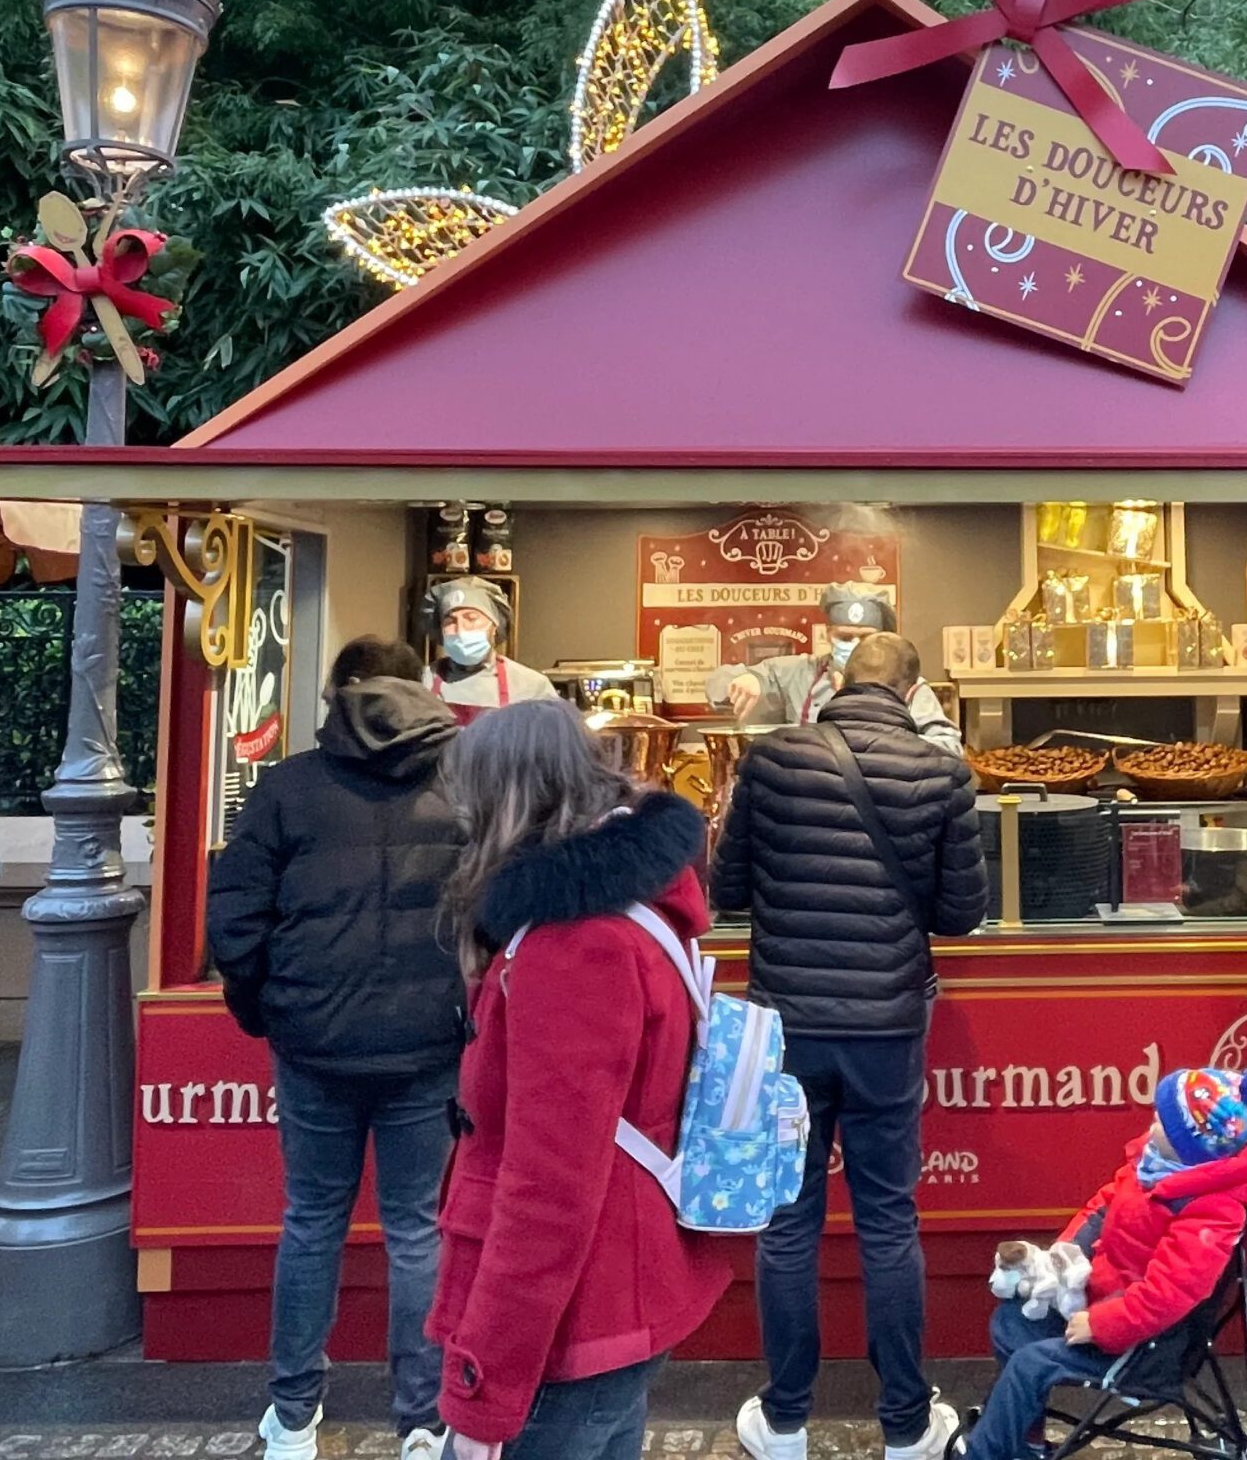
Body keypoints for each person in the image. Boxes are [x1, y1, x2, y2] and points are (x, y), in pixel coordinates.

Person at [422, 698, 726, 1460]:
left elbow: (547, 1189)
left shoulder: (571, 944)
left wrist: (483, 1392)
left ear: (508, 799)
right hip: (616, 1288)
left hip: (570, 1318)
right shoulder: (634, 912)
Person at [712, 629, 987, 1460]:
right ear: (913, 693)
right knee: (888, 1220)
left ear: (836, 681)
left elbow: (725, 889)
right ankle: (905, 1424)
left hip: (788, 1027)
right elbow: (960, 913)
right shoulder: (943, 774)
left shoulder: (771, 761)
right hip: (886, 1029)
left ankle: (786, 1418)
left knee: (789, 1222)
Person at [204, 637, 466, 1460]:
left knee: (312, 1219)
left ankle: (292, 1414)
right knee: (417, 1226)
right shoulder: (458, 782)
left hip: (314, 1040)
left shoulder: (287, 787)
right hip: (428, 1044)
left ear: (340, 692)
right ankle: (422, 1421)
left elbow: (234, 916)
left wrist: (266, 1009)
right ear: (418, 687)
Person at [960, 1067, 1247, 1460]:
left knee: (1031, 1363)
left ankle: (983, 1454)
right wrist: (1064, 1254)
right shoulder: (1158, 1163)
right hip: (1099, 1295)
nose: (1151, 1122)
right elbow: (1105, 1204)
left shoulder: (1211, 1213)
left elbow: (1170, 1294)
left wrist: (1101, 1324)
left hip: (1144, 1341)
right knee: (1011, 1323)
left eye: (1162, 1120)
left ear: (1189, 1146)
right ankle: (1026, 1444)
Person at [709, 585, 964, 756]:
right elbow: (716, 687)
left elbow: (949, 747)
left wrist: (884, 749)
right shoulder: (797, 673)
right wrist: (746, 679)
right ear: (827, 634)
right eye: (844, 637)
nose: (853, 645)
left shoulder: (909, 686)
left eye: (864, 637)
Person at [422, 577, 553, 727]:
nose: (460, 629)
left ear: (494, 627)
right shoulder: (425, 680)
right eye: (450, 621)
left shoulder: (531, 687)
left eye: (471, 619)